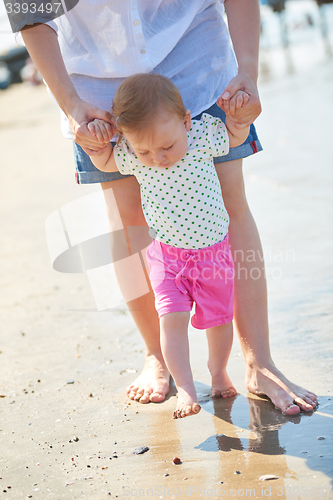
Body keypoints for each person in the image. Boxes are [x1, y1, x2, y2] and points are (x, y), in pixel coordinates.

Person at [20, 0, 317, 415]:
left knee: (230, 204)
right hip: (97, 87)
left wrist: (247, 70)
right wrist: (70, 105)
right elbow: (29, 10)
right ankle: (156, 357)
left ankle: (258, 362)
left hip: (198, 61)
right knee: (129, 221)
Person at [87, 73, 250, 418]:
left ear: (186, 121)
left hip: (213, 254)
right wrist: (98, 143)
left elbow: (236, 137)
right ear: (130, 142)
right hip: (168, 259)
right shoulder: (132, 154)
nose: (158, 157)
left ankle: (218, 371)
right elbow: (104, 162)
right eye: (144, 149)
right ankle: (187, 390)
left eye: (166, 146)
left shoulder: (203, 135)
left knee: (219, 321)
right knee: (171, 320)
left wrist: (237, 118)